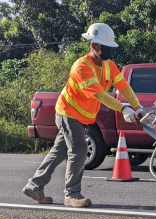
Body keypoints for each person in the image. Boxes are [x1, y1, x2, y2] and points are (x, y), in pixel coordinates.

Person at [23, 23, 142, 208]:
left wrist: (137, 105)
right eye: (106, 48)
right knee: (79, 149)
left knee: (59, 152)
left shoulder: (110, 65)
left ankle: (34, 186)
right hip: (68, 113)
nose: (110, 52)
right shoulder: (81, 67)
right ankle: (72, 195)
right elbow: (100, 95)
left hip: (82, 116)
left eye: (111, 48)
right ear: (94, 45)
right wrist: (123, 109)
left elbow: (123, 87)